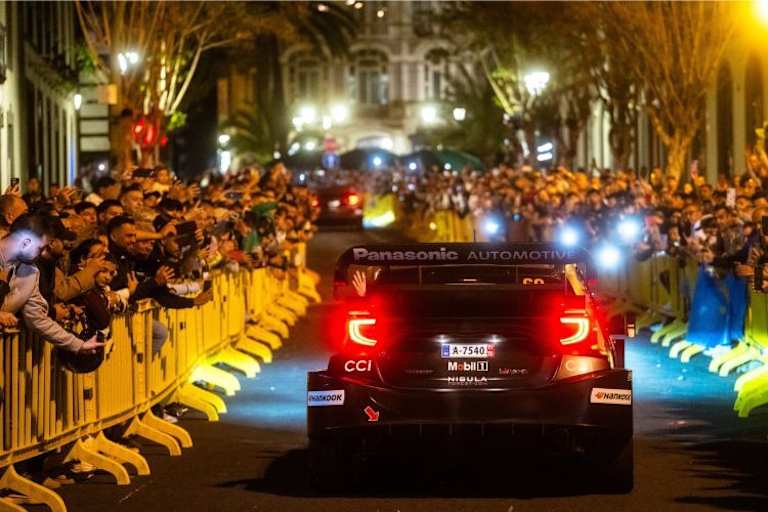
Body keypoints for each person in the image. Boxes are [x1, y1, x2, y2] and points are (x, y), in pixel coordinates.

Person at [0, 214, 103, 354]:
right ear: (26, 242)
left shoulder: (31, 272)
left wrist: (78, 345)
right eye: (40, 248)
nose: (42, 253)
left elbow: (37, 318)